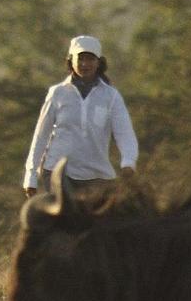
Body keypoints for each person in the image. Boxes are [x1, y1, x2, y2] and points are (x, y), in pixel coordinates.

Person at [22, 33, 138, 196]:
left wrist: (128, 162)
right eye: (80, 59)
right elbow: (41, 136)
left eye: (90, 59)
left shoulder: (110, 96)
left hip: (98, 174)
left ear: (98, 62)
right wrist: (31, 177)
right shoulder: (58, 93)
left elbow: (124, 133)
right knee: (67, 218)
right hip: (59, 173)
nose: (85, 64)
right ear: (71, 61)